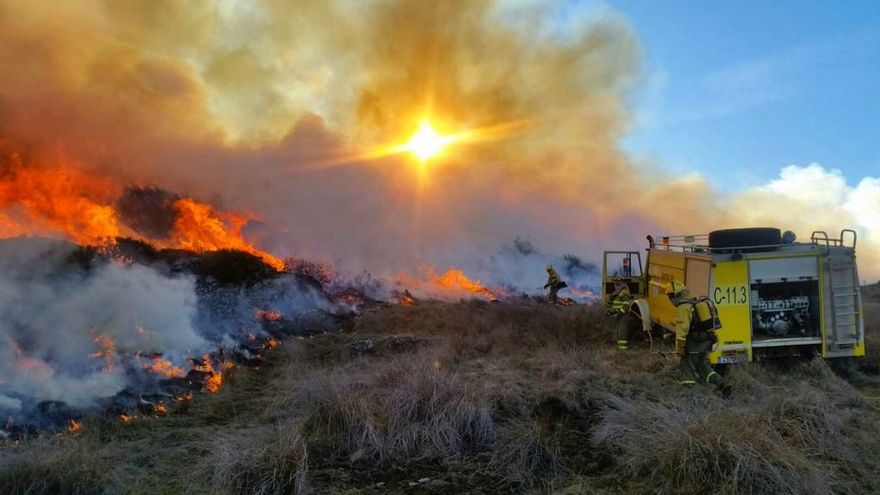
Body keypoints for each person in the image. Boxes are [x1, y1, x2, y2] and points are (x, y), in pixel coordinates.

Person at [668, 280, 732, 398]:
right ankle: (722, 384)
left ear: (675, 295)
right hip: (707, 340)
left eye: (670, 296)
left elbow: (683, 330)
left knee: (686, 364)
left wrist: (680, 348)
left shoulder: (684, 307)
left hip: (694, 342)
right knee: (701, 364)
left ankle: (689, 394)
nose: (670, 300)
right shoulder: (694, 302)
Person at [610, 281, 632, 350]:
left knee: (622, 333)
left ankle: (623, 349)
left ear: (621, 285)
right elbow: (617, 305)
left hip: (623, 316)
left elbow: (626, 306)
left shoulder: (624, 293)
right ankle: (620, 347)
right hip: (620, 315)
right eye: (614, 284)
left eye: (616, 284)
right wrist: (611, 312)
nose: (615, 286)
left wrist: (618, 314)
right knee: (619, 332)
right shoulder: (618, 293)